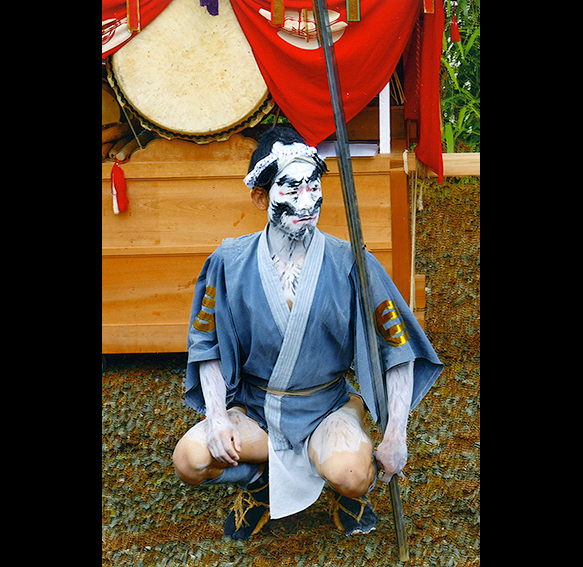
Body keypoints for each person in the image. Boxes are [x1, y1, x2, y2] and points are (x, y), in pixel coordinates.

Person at [172, 126, 443, 540]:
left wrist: (395, 434)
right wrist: (216, 418)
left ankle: (346, 490)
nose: (306, 201)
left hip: (325, 406)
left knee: (352, 474)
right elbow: (206, 345)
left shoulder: (350, 261)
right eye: (291, 187)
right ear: (260, 197)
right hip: (257, 408)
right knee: (191, 459)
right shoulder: (228, 262)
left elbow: (398, 347)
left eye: (313, 186)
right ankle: (258, 483)